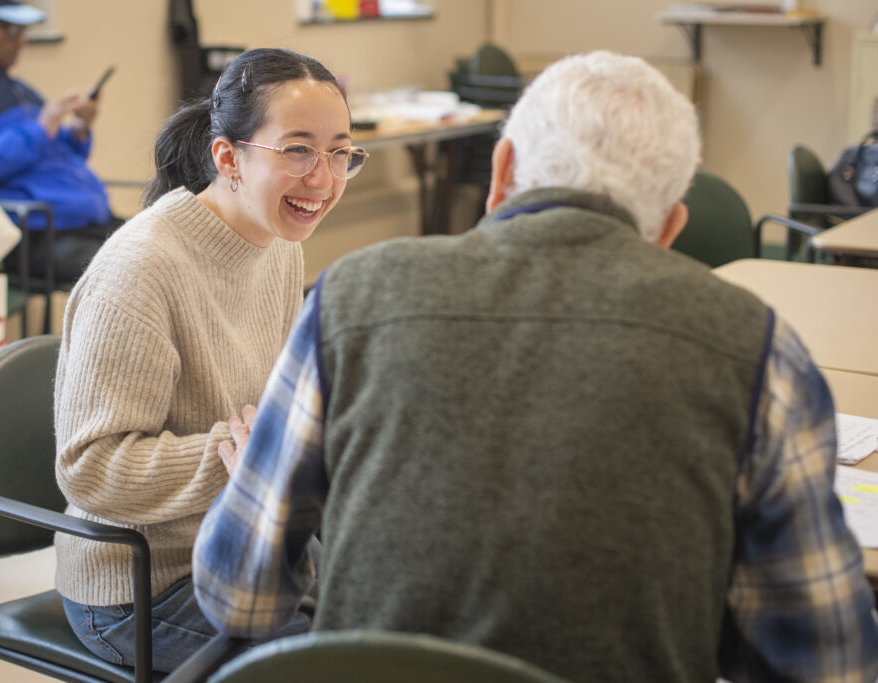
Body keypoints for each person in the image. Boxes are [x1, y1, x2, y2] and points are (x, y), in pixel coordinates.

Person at [193, 51, 878, 682]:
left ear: (502, 171)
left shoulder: (349, 297)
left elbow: (238, 595)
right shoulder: (759, 349)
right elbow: (828, 662)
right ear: (670, 228)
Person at [53, 48, 366, 673]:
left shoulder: (277, 243)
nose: (323, 179)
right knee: (339, 662)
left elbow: (269, 404)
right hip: (139, 585)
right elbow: (89, 469)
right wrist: (239, 455)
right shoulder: (141, 269)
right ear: (228, 158)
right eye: (298, 150)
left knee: (405, 608)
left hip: (246, 545)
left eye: (340, 153)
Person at [0, 0, 122, 284]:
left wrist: (80, 129)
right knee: (134, 267)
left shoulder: (21, 90)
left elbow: (60, 153)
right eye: (9, 28)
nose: (20, 39)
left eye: (23, 30)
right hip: (37, 234)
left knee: (166, 247)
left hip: (88, 220)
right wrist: (42, 127)